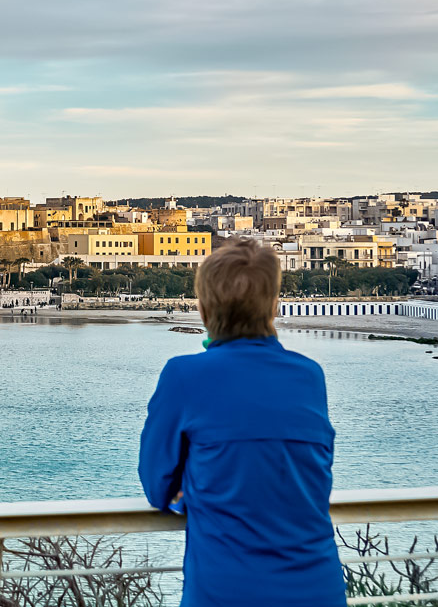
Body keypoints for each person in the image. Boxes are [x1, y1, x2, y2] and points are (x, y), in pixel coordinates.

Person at [139, 239, 345, 607]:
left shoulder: (183, 376)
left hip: (225, 591)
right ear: (275, 306)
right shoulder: (309, 376)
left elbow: (157, 487)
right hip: (318, 588)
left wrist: (201, 490)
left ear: (203, 310)